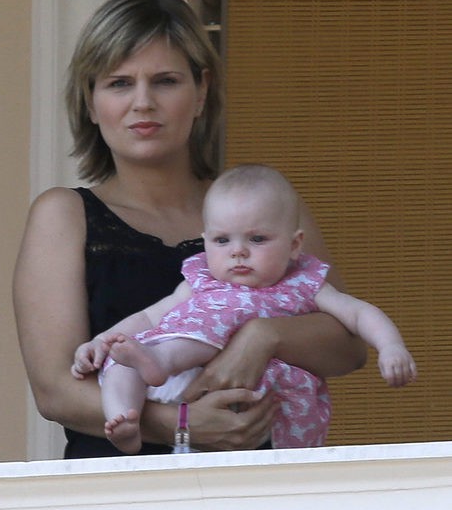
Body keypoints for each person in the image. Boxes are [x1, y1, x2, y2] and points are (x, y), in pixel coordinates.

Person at [12, 0, 365, 510]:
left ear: (201, 91)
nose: (142, 102)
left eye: (165, 80)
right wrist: (180, 425)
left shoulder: (260, 208)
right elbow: (56, 389)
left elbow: (348, 341)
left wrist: (266, 337)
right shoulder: (65, 214)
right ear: (91, 100)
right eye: (119, 83)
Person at [72, 163, 416, 449]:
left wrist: (391, 346)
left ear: (295, 245)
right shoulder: (200, 280)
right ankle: (124, 420)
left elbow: (357, 313)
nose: (238, 251)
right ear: (205, 242)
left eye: (257, 239)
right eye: (222, 241)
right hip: (178, 387)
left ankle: (157, 363)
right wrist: (101, 341)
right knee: (121, 364)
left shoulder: (303, 283)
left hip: (251, 403)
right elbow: (149, 316)